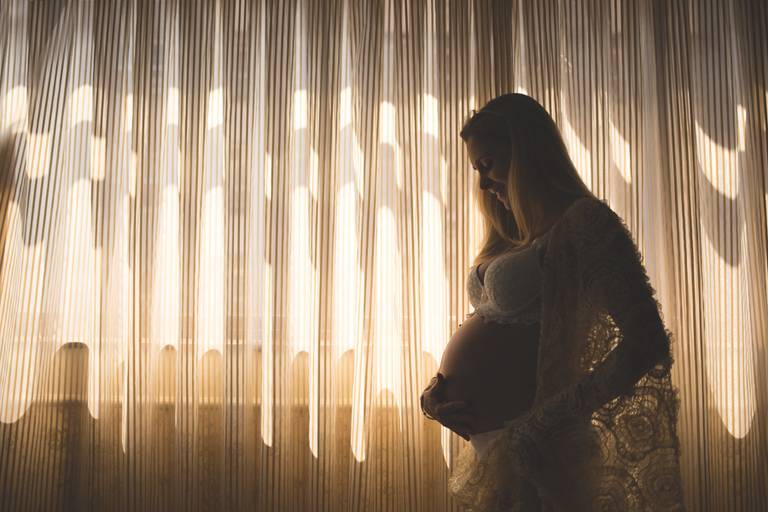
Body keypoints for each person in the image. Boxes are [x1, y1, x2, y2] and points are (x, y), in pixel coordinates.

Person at [420, 93, 685, 511]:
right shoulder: (511, 234)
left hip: (541, 454)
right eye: (476, 170)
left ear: (525, 155)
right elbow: (501, 327)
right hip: (493, 451)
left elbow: (646, 340)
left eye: (487, 165)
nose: (483, 183)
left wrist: (545, 421)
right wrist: (437, 396)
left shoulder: (586, 224)